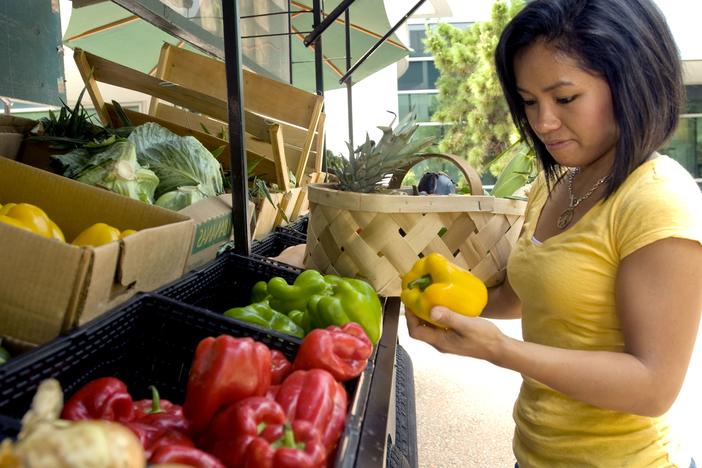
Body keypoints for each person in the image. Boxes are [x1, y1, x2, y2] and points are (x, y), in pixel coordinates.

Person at [405, 0, 702, 466]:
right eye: (528, 102)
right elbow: (527, 297)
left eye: (564, 99)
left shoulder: (657, 200)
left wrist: (501, 350)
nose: (542, 123)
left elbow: (654, 386)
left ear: (631, 83)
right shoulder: (559, 182)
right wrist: (443, 302)